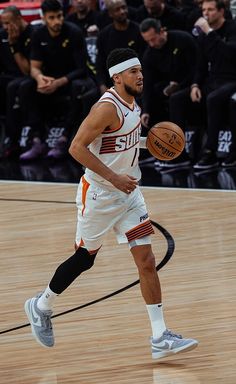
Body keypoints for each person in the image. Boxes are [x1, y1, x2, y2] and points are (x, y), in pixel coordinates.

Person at [24, 47, 198, 360]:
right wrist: (114, 177)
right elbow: (77, 148)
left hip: (130, 195)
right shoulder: (106, 108)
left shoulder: (133, 103)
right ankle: (41, 305)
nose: (140, 75)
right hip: (100, 194)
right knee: (84, 259)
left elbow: (120, 143)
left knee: (146, 260)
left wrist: (154, 145)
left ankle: (159, 336)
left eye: (141, 70)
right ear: (116, 77)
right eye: (133, 72)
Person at [19, 0, 98, 161]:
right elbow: (34, 67)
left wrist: (59, 82)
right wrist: (40, 78)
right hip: (50, 80)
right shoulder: (38, 34)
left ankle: (64, 139)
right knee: (26, 86)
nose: (57, 21)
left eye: (60, 16)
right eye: (52, 17)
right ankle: (37, 139)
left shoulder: (74, 32)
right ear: (44, 19)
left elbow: (82, 68)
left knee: (78, 87)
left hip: (72, 79)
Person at [140, 18, 197, 168]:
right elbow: (148, 84)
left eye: (153, 39)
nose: (151, 44)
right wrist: (145, 110)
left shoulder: (183, 39)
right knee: (149, 99)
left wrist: (181, 85)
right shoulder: (149, 53)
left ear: (162, 31)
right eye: (148, 41)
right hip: (171, 86)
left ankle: (180, 153)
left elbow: (197, 68)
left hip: (193, 83)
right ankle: (153, 150)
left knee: (175, 100)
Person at [0, 6, 34, 158]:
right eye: (3, 24)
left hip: (27, 77)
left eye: (9, 23)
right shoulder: (2, 34)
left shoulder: (33, 34)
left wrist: (13, 44)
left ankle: (15, 138)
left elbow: (27, 70)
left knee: (14, 87)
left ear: (19, 19)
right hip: (8, 77)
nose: (6, 27)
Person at [95, 0, 146, 95]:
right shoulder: (104, 35)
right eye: (117, 9)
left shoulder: (138, 31)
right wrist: (102, 85)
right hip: (112, 81)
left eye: (124, 7)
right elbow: (100, 64)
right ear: (110, 14)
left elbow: (145, 60)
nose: (122, 11)